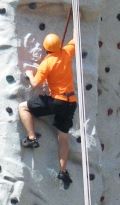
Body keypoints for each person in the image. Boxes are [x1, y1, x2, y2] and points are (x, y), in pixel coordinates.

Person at [18, 33, 77, 187]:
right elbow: (75, 40)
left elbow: (36, 84)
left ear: (45, 49)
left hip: (57, 101)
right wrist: (77, 14)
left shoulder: (47, 63)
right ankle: (63, 171)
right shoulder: (67, 52)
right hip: (71, 102)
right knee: (63, 139)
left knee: (23, 107)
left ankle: (31, 138)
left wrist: (30, 75)